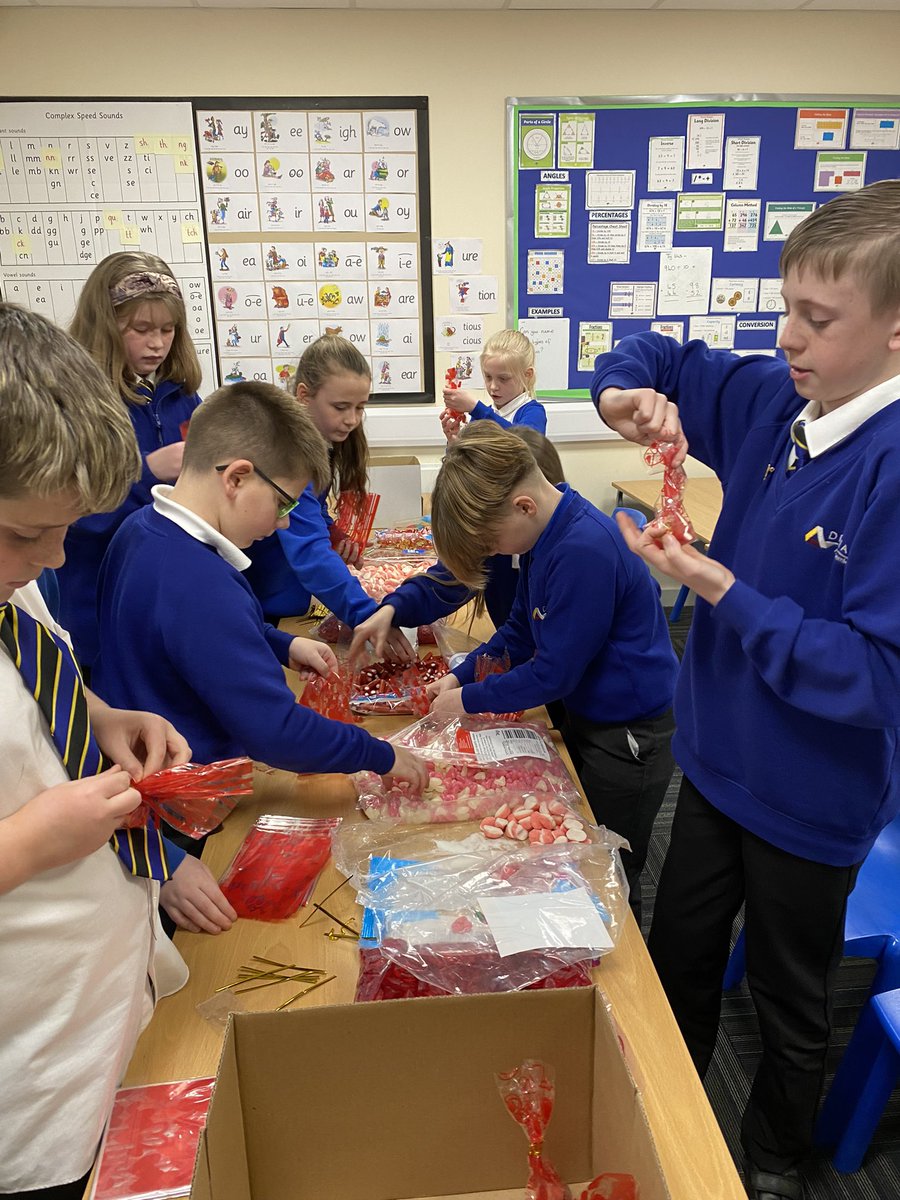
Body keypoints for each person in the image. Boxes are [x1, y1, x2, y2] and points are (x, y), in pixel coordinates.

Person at [590, 179, 900, 1200]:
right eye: (786, 307)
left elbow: (874, 678)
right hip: (716, 762)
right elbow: (657, 353)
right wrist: (620, 394)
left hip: (812, 798)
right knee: (676, 942)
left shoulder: (889, 468)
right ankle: (665, 1108)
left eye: (818, 318)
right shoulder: (779, 398)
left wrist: (719, 586)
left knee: (789, 991)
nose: (789, 337)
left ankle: (773, 1156)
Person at [0, 302, 232, 1200]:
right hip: (30, 1090)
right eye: (28, 534)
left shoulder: (14, 583)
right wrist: (28, 843)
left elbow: (37, 670)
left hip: (107, 1016)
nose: (54, 555)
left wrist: (97, 715)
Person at [94, 380, 427, 792]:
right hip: (188, 791)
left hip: (146, 769)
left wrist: (280, 644)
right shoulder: (203, 582)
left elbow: (182, 639)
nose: (285, 522)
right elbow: (276, 731)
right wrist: (379, 753)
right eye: (283, 503)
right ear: (236, 478)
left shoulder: (139, 528)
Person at [424, 423, 678, 919]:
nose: (495, 552)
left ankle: (629, 956)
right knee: (580, 833)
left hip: (630, 733)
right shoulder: (543, 535)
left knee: (613, 857)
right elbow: (520, 630)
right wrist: (463, 676)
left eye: (491, 541)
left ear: (523, 505)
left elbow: (552, 674)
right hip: (589, 711)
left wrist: (468, 700)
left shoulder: (584, 549)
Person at [57, 251, 203, 669]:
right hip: (96, 609)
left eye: (168, 329)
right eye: (141, 329)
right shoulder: (75, 401)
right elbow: (72, 513)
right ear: (106, 326)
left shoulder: (182, 396)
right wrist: (147, 472)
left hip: (165, 599)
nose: (157, 343)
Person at [348, 427, 565, 663]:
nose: (489, 549)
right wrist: (392, 609)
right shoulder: (500, 538)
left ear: (526, 506)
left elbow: (555, 663)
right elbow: (445, 582)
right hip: (522, 668)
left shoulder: (569, 555)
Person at [244, 336, 402, 656]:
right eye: (341, 407)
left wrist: (329, 529)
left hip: (285, 600)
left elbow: (309, 507)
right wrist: (366, 613)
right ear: (304, 395)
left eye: (360, 408)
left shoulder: (318, 440)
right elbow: (309, 553)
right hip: (261, 602)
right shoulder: (287, 454)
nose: (352, 419)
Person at [441, 328, 546, 438]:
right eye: (488, 377)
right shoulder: (482, 415)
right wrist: (455, 442)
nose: (493, 387)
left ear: (527, 375)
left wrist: (476, 408)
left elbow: (521, 445)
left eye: (503, 378)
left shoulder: (533, 412)